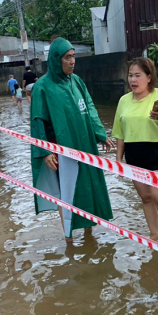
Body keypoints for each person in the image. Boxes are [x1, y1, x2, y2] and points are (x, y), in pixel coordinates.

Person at [30, 37, 114, 243]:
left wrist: (100, 134)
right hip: (61, 150)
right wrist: (44, 151)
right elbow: (37, 120)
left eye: (74, 56)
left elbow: (90, 107)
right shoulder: (43, 87)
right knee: (67, 190)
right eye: (67, 57)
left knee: (88, 185)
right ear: (56, 59)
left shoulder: (76, 81)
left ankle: (88, 235)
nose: (72, 61)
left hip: (85, 144)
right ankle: (68, 239)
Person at [112, 58, 158, 249]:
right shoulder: (123, 101)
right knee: (146, 197)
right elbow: (119, 133)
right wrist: (119, 160)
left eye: (138, 75)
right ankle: (154, 234)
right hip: (134, 153)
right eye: (130, 75)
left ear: (149, 77)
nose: (133, 80)